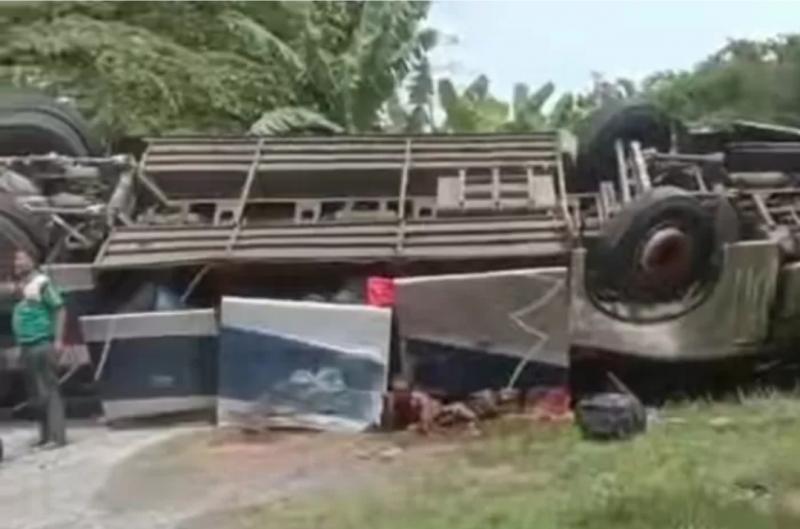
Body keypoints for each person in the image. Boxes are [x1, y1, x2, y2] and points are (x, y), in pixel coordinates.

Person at [11, 249, 67, 447]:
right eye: (15, 260)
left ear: (33, 262)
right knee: (36, 393)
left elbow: (59, 308)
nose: (17, 264)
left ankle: (57, 437)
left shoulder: (42, 283)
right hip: (27, 345)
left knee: (49, 390)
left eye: (21, 259)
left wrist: (59, 340)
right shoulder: (22, 287)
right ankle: (45, 436)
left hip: (42, 342)